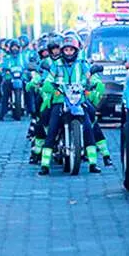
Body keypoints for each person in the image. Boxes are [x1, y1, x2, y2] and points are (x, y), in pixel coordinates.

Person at [38, 35, 101, 175]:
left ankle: (93, 163)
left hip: (79, 100)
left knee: (88, 128)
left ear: (76, 51)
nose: (68, 53)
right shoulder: (56, 64)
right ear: (62, 51)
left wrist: (93, 84)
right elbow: (49, 79)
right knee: (52, 129)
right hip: (60, 99)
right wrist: (49, 86)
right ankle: (45, 165)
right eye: (66, 50)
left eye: (71, 50)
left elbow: (90, 77)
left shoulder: (82, 64)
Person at [0, 38, 29, 120]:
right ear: (10, 48)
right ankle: (1, 114)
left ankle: (32, 111)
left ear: (19, 48)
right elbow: (2, 66)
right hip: (9, 78)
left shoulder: (23, 57)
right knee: (5, 94)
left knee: (29, 91)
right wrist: (4, 69)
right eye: (13, 47)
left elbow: (27, 66)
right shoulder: (7, 57)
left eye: (16, 47)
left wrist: (28, 70)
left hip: (22, 78)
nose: (15, 49)